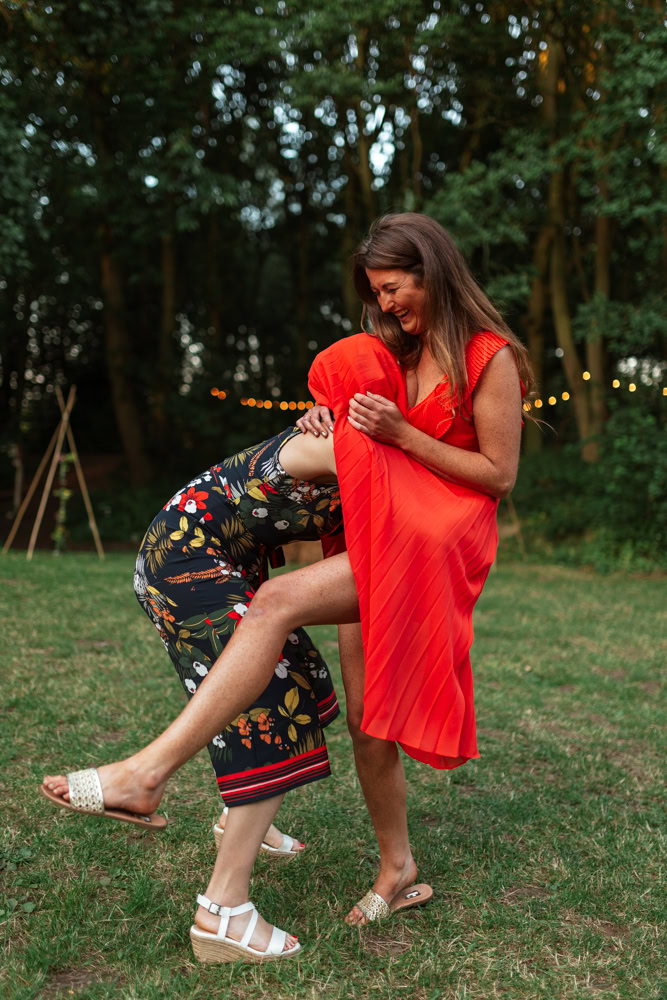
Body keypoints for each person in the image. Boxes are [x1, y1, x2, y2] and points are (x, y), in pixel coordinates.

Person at [41, 212, 534, 957]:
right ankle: (396, 868)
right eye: (377, 294)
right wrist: (332, 418)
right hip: (379, 531)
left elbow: (497, 476)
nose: (387, 305)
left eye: (395, 288)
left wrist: (401, 434)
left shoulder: (489, 357)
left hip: (436, 543)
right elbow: (365, 437)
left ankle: (147, 773)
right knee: (368, 722)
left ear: (433, 271)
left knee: (274, 601)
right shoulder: (397, 352)